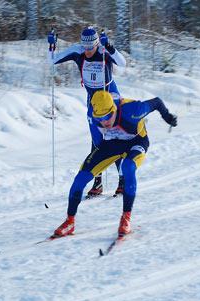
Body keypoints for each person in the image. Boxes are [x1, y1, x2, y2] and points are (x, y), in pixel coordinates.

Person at [53, 91, 178, 237]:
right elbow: (98, 141)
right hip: (112, 144)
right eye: (100, 118)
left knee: (128, 167)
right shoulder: (94, 116)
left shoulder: (133, 110)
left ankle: (126, 217)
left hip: (136, 142)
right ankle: (70, 221)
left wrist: (168, 117)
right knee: (81, 177)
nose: (104, 122)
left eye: (107, 116)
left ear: (114, 109)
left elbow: (156, 102)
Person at [47, 27, 127, 197]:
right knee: (97, 142)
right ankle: (97, 183)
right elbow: (52, 60)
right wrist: (52, 45)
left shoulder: (103, 50)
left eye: (91, 47)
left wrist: (110, 46)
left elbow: (122, 63)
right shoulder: (78, 51)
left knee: (112, 138)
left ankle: (123, 181)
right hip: (93, 101)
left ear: (97, 43)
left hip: (110, 96)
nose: (88, 51)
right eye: (85, 47)